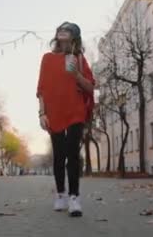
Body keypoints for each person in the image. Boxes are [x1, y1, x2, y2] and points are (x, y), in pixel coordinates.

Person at [37, 22, 94, 217]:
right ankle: (60, 194)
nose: (62, 31)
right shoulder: (47, 58)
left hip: (75, 111)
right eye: (60, 29)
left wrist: (76, 74)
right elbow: (41, 89)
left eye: (67, 29)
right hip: (54, 113)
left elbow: (90, 87)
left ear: (74, 37)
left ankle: (74, 198)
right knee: (59, 155)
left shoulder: (79, 59)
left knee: (73, 154)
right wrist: (41, 113)